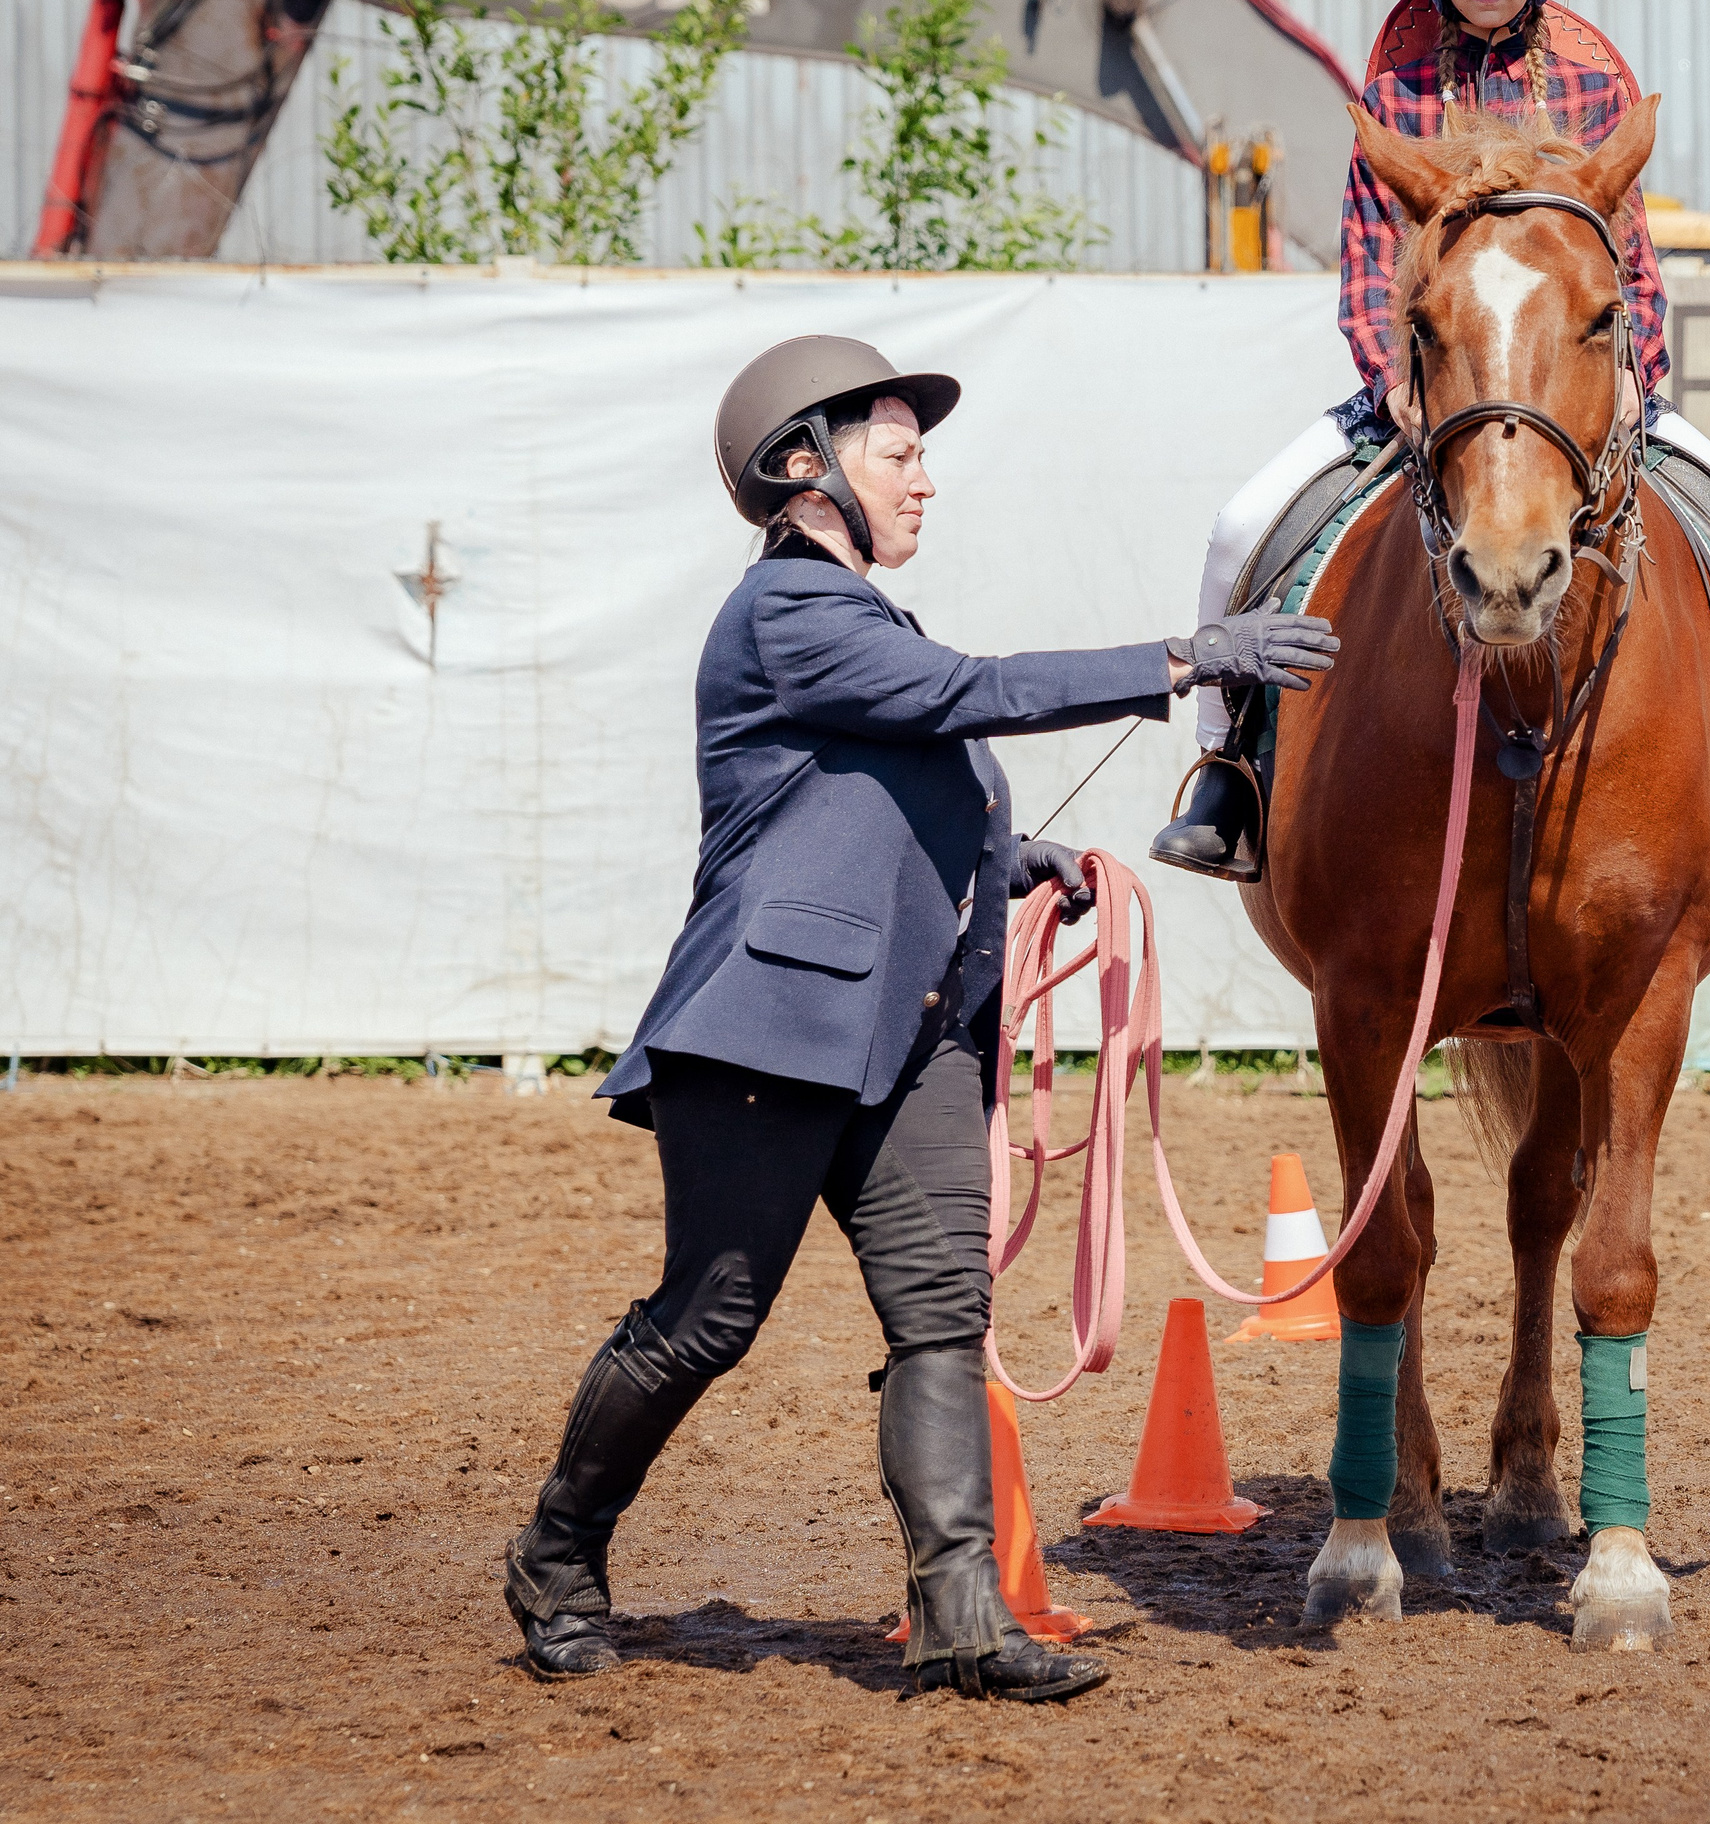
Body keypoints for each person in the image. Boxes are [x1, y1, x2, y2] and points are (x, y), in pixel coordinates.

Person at [503, 336, 1337, 1701]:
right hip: (767, 1032)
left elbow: (872, 811)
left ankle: (959, 1618)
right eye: (900, 452)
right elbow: (966, 694)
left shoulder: (860, 627)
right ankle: (557, 1555)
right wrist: (1189, 656)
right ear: (802, 469)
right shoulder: (789, 612)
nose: (926, 481)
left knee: (941, 1319)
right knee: (706, 1320)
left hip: (916, 1035)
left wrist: (1015, 866)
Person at [1148, 0, 1710, 889]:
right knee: (1238, 530)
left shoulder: (1593, 78)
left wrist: (1637, 373)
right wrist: (1387, 375)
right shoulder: (1391, 82)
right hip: (1429, 392)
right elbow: (1366, 261)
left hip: (1579, 392)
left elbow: (1626, 259)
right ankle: (1227, 773)